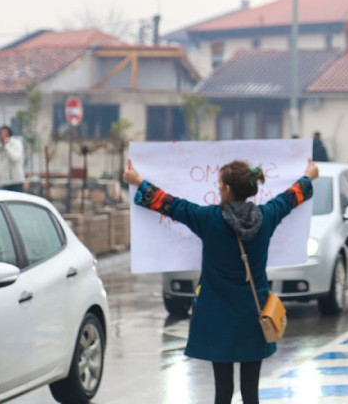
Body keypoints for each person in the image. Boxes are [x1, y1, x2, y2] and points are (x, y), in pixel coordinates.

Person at [122, 157, 318, 404]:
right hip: (255, 315)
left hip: (218, 317)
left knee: (223, 391)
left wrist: (137, 181)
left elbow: (171, 205)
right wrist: (309, 176)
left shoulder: (210, 219)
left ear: (226, 189)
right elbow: (290, 198)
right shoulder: (266, 216)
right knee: (250, 392)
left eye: (219, 184)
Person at [0, 125, 25, 192]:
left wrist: (7, 145)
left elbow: (15, 158)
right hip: (2, 182)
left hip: (15, 181)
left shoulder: (16, 144)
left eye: (5, 133)